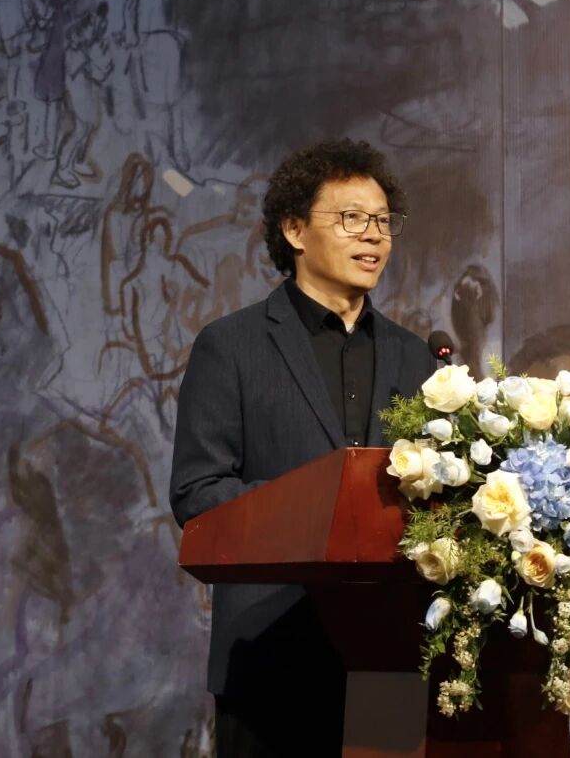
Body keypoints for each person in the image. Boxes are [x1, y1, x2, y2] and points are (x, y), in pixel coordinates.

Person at [169, 139, 436, 757]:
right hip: (269, 656)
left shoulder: (417, 357)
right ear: (294, 230)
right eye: (351, 218)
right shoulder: (231, 346)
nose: (373, 236)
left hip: (390, 658)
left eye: (382, 221)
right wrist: (325, 514)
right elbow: (198, 493)